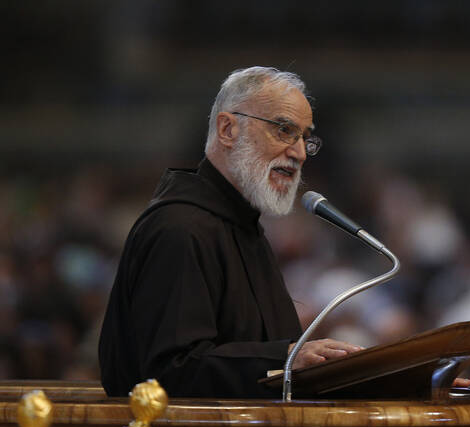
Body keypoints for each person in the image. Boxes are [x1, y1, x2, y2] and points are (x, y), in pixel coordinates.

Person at [98, 67, 362, 398]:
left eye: (305, 138)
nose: (299, 153)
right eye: (284, 130)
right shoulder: (180, 229)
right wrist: (288, 358)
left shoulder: (245, 231)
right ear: (227, 129)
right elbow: (169, 374)